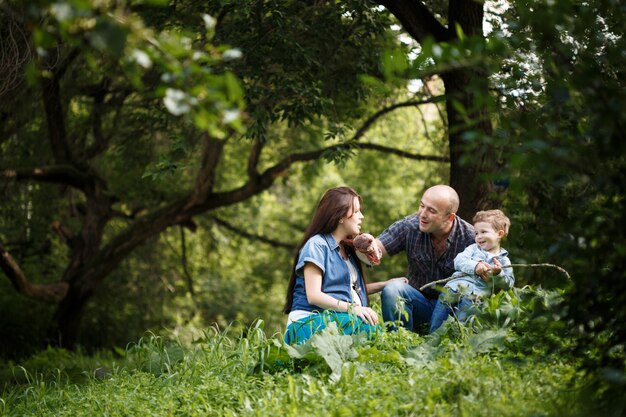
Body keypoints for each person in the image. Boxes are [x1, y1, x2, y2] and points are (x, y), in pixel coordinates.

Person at [283, 186, 407, 345]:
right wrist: (353, 308)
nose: (361, 216)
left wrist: (386, 284)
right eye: (356, 211)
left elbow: (346, 290)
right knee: (367, 328)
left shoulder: (348, 250)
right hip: (307, 322)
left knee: (372, 330)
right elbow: (314, 295)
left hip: (334, 320)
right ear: (340, 216)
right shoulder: (316, 245)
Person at [374, 185, 475, 332]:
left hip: (451, 313)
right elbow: (376, 248)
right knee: (392, 289)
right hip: (419, 305)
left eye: (431, 210)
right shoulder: (410, 226)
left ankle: (452, 345)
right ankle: (400, 342)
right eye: (422, 206)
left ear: (449, 217)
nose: (422, 214)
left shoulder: (471, 238)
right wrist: (366, 244)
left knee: (469, 299)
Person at [429, 209, 515, 332]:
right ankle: (431, 343)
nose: (478, 237)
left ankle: (454, 347)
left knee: (462, 326)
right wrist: (475, 266)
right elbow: (458, 261)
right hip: (453, 289)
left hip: (474, 297)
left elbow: (509, 284)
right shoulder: (473, 249)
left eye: (483, 232)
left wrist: (498, 274)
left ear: (499, 234)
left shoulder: (504, 261)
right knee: (437, 321)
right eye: (476, 233)